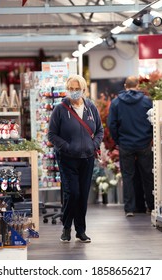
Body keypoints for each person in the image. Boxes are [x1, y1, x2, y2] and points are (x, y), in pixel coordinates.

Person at [48, 74, 104, 243]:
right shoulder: (60, 109)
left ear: (83, 90)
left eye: (76, 89)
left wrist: (94, 145)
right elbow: (52, 135)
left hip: (87, 158)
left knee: (83, 195)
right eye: (70, 89)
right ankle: (66, 227)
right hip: (67, 159)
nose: (73, 92)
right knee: (73, 193)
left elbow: (100, 130)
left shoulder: (91, 108)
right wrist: (67, 147)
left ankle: (80, 230)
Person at [107, 76, 154, 217]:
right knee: (147, 176)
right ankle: (151, 206)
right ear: (138, 85)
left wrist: (118, 141)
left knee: (127, 176)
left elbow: (111, 124)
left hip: (125, 144)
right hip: (144, 144)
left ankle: (129, 209)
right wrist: (149, 137)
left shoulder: (115, 103)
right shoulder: (147, 102)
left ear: (125, 85)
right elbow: (153, 121)